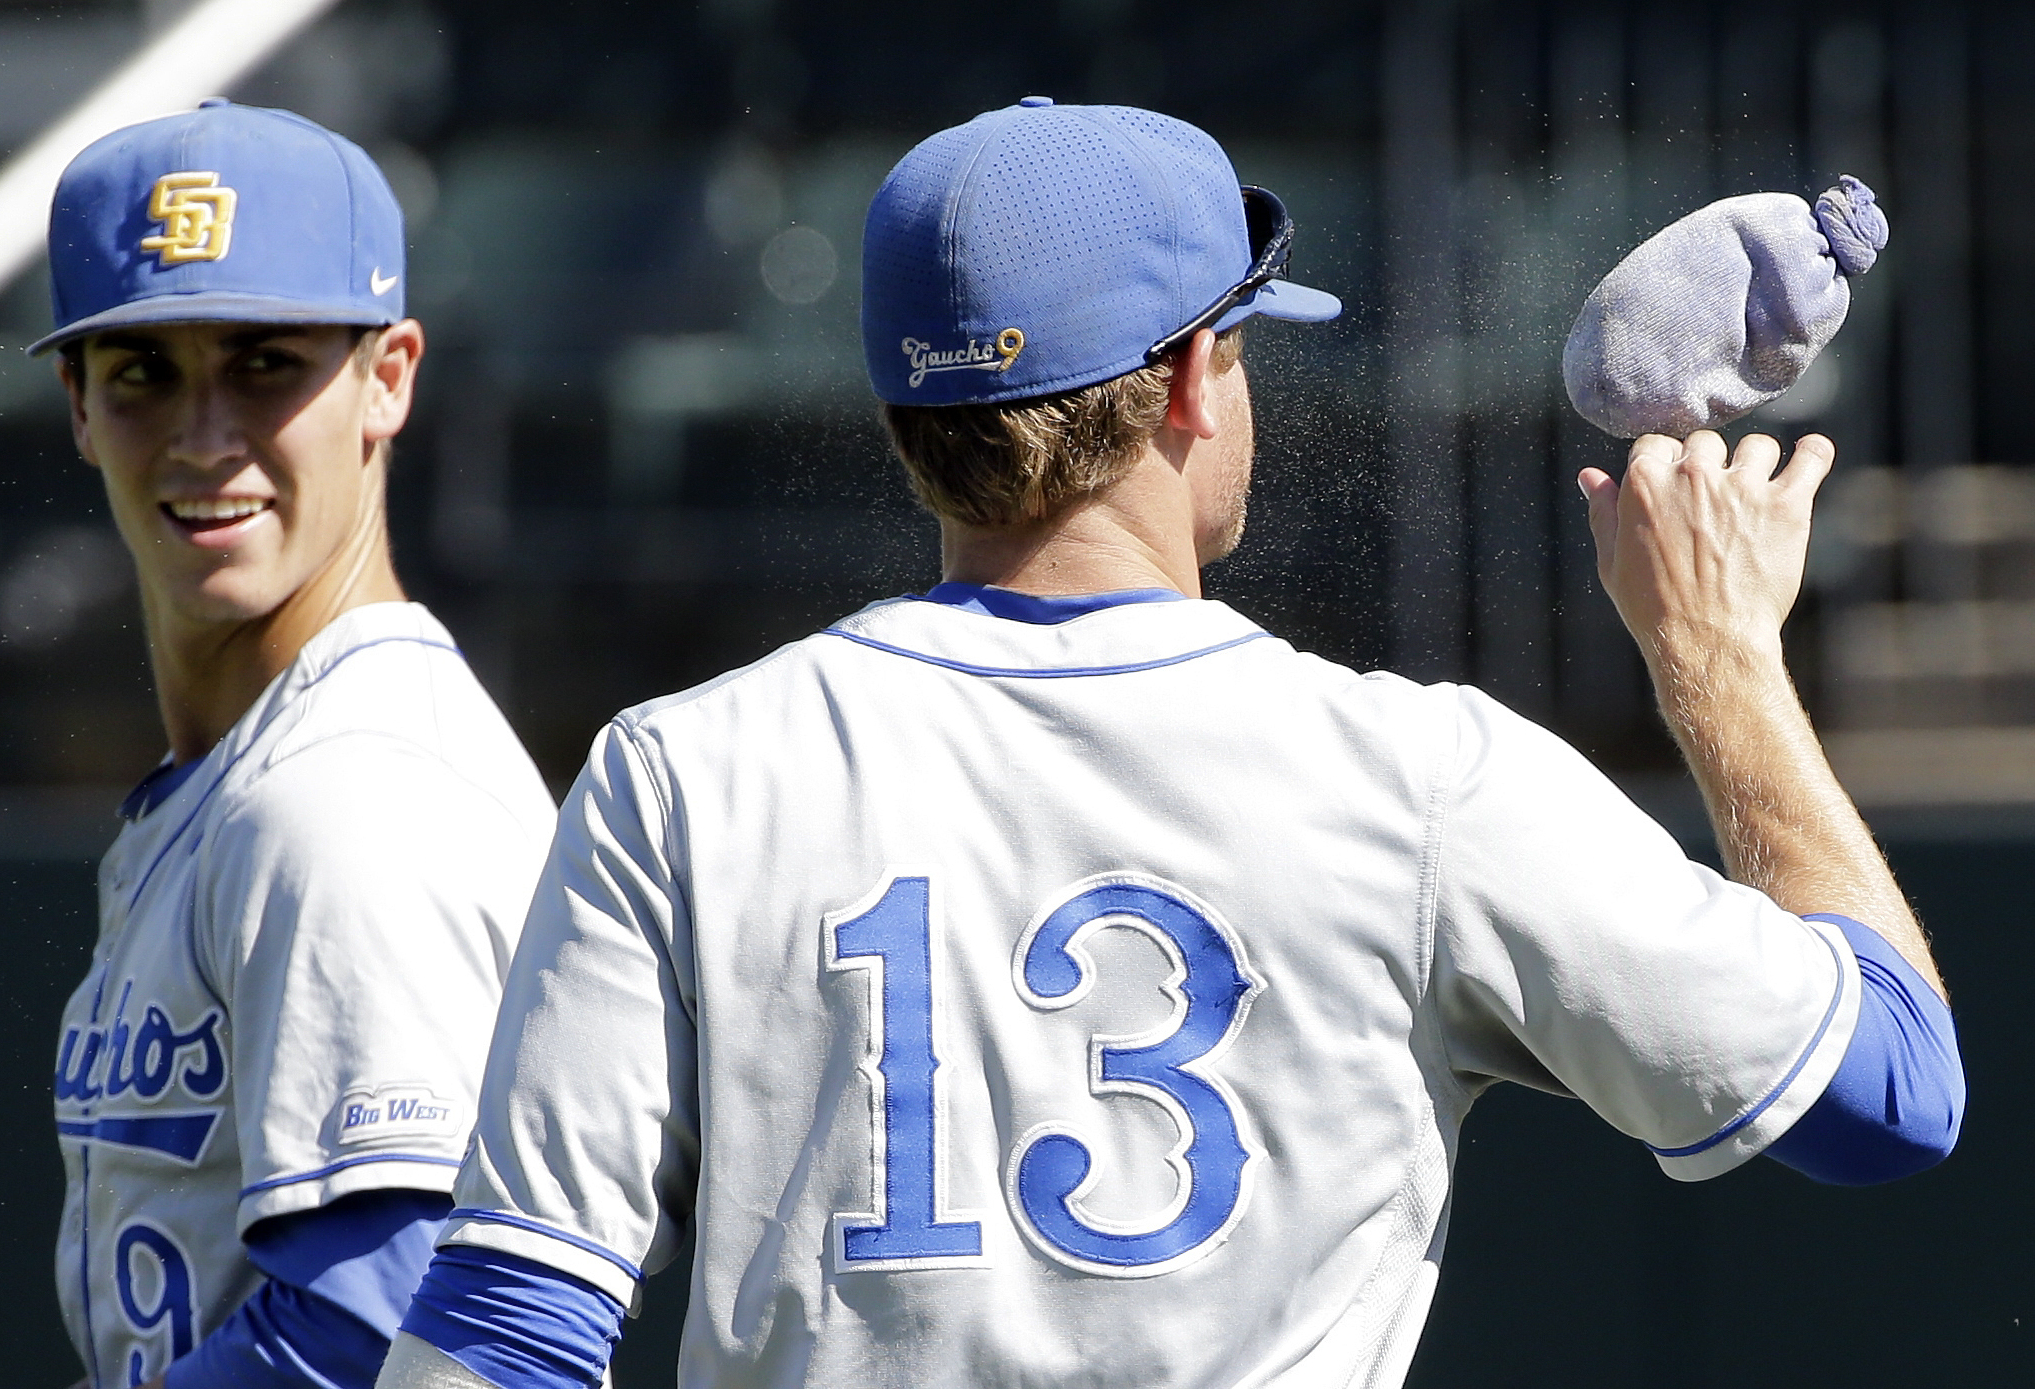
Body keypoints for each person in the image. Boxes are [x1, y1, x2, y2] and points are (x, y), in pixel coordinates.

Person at [376, 100, 1963, 1389]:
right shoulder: (1415, 780)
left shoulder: (681, 770)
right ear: (1198, 376)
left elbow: (506, 1334)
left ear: (896, 411)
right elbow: (1887, 1095)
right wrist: (1717, 658)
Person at [43, 101, 556, 1389]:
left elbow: (379, 1329)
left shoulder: (351, 799)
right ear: (78, 406)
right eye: (143, 371)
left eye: (266, 361)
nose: (204, 437)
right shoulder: (264, 773)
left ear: (387, 379)